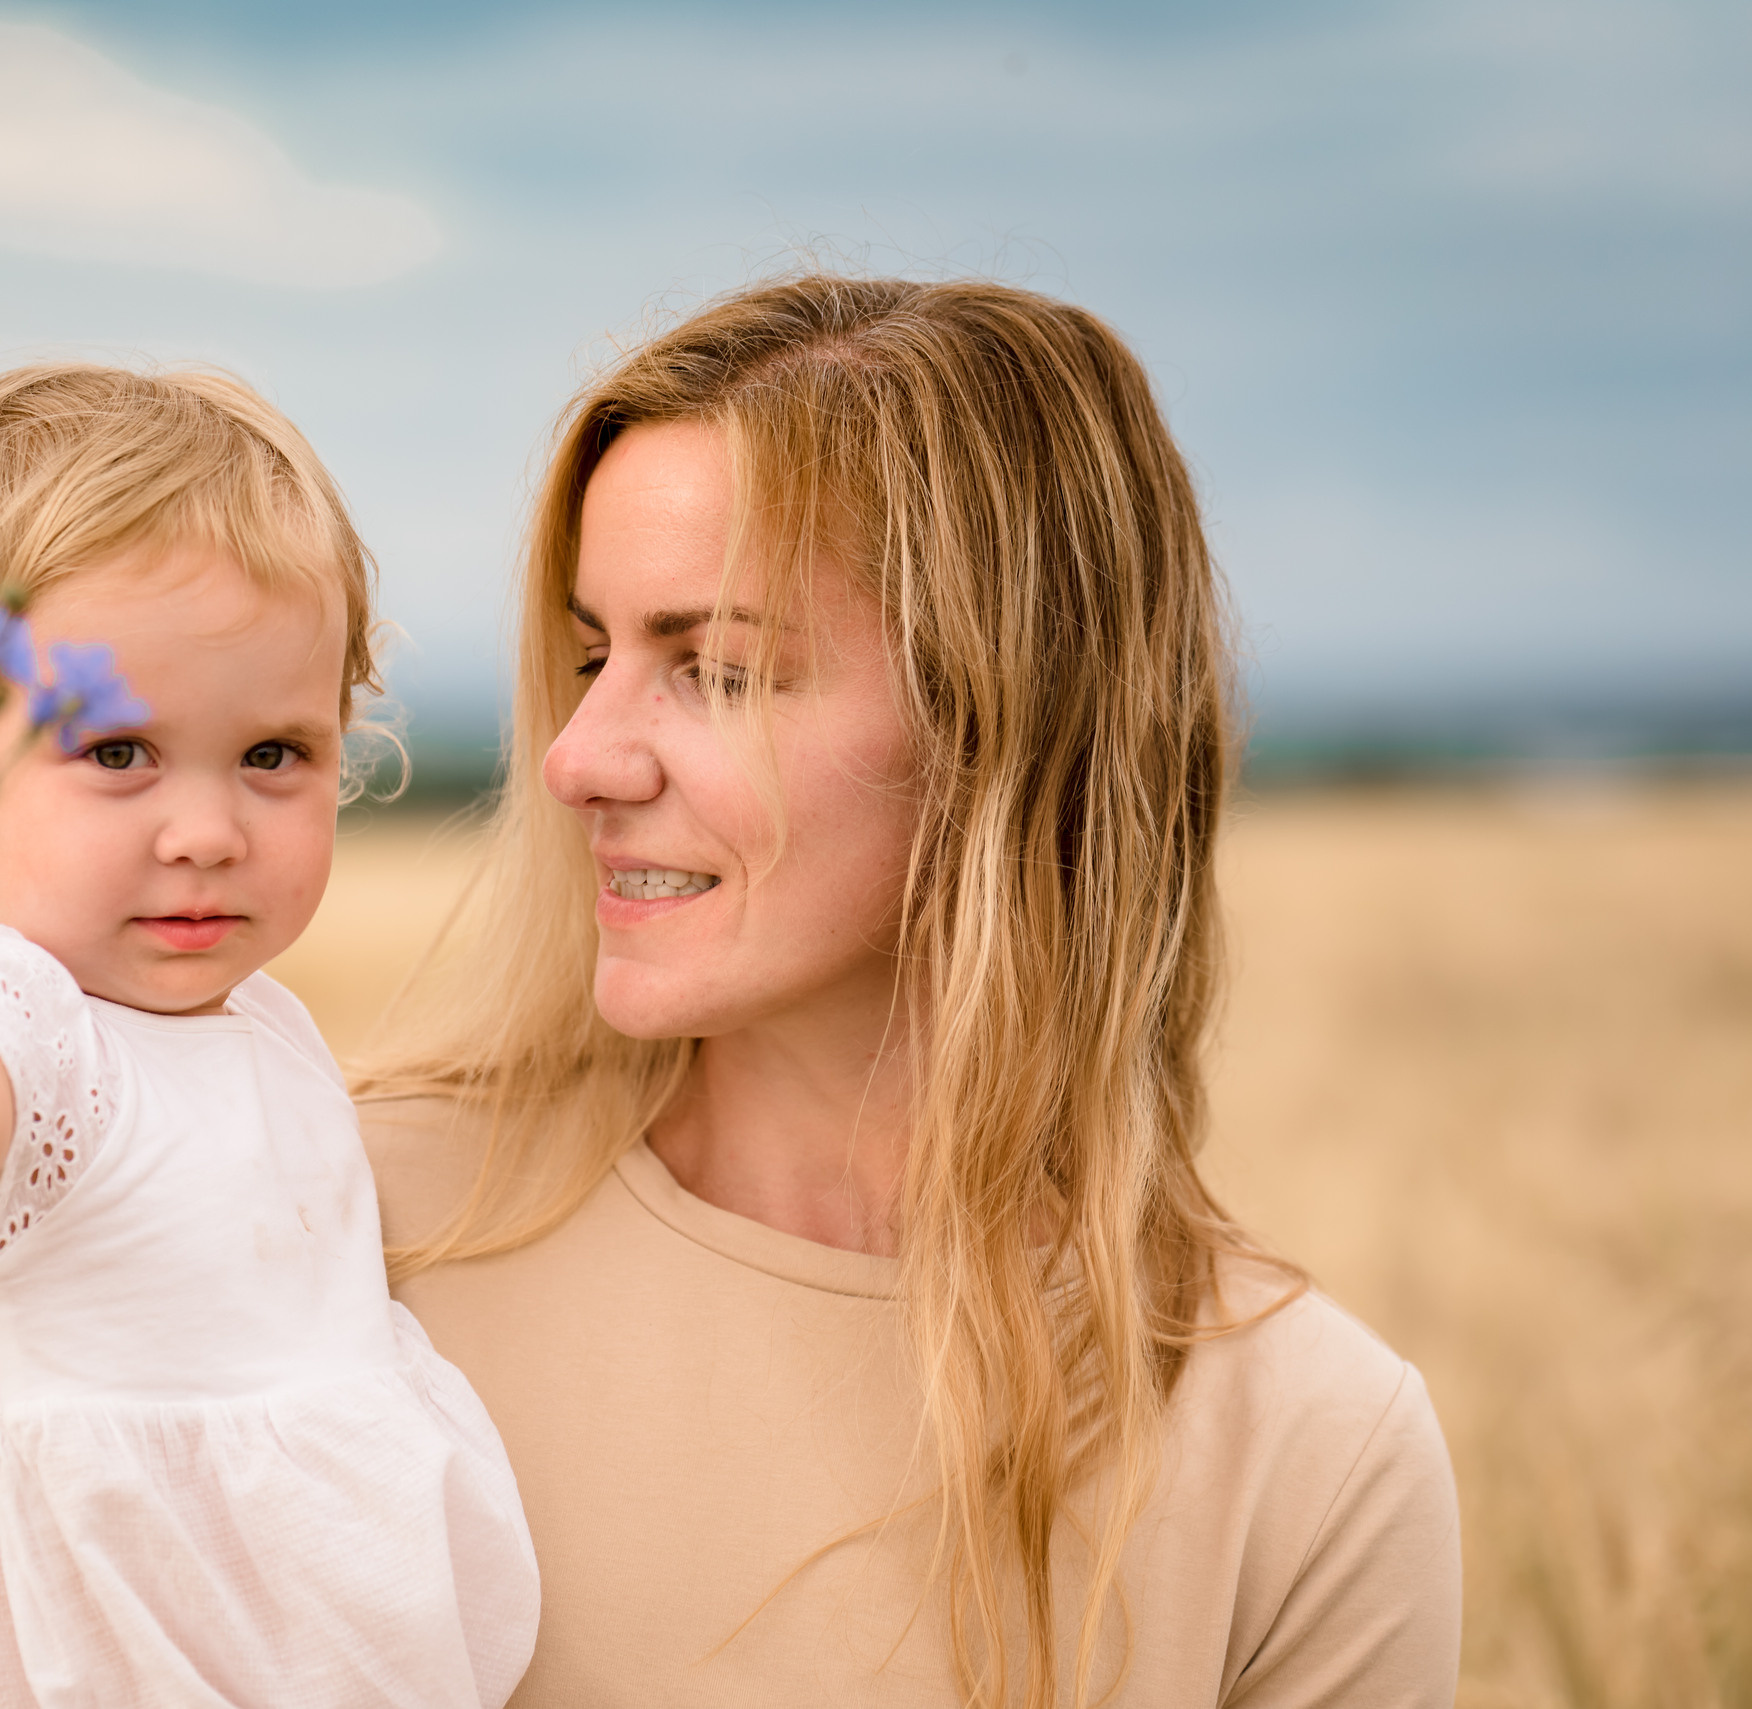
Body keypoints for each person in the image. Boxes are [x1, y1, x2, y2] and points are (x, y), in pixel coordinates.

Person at [355, 276, 1462, 1707]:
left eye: (720, 671)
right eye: (590, 657)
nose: (577, 757)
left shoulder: (1308, 1454)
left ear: (1010, 720)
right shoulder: (340, 1222)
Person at [0, 363, 540, 1708]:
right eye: (117, 753)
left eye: (273, 755)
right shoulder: (13, 1009)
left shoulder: (269, 1029)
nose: (207, 831)